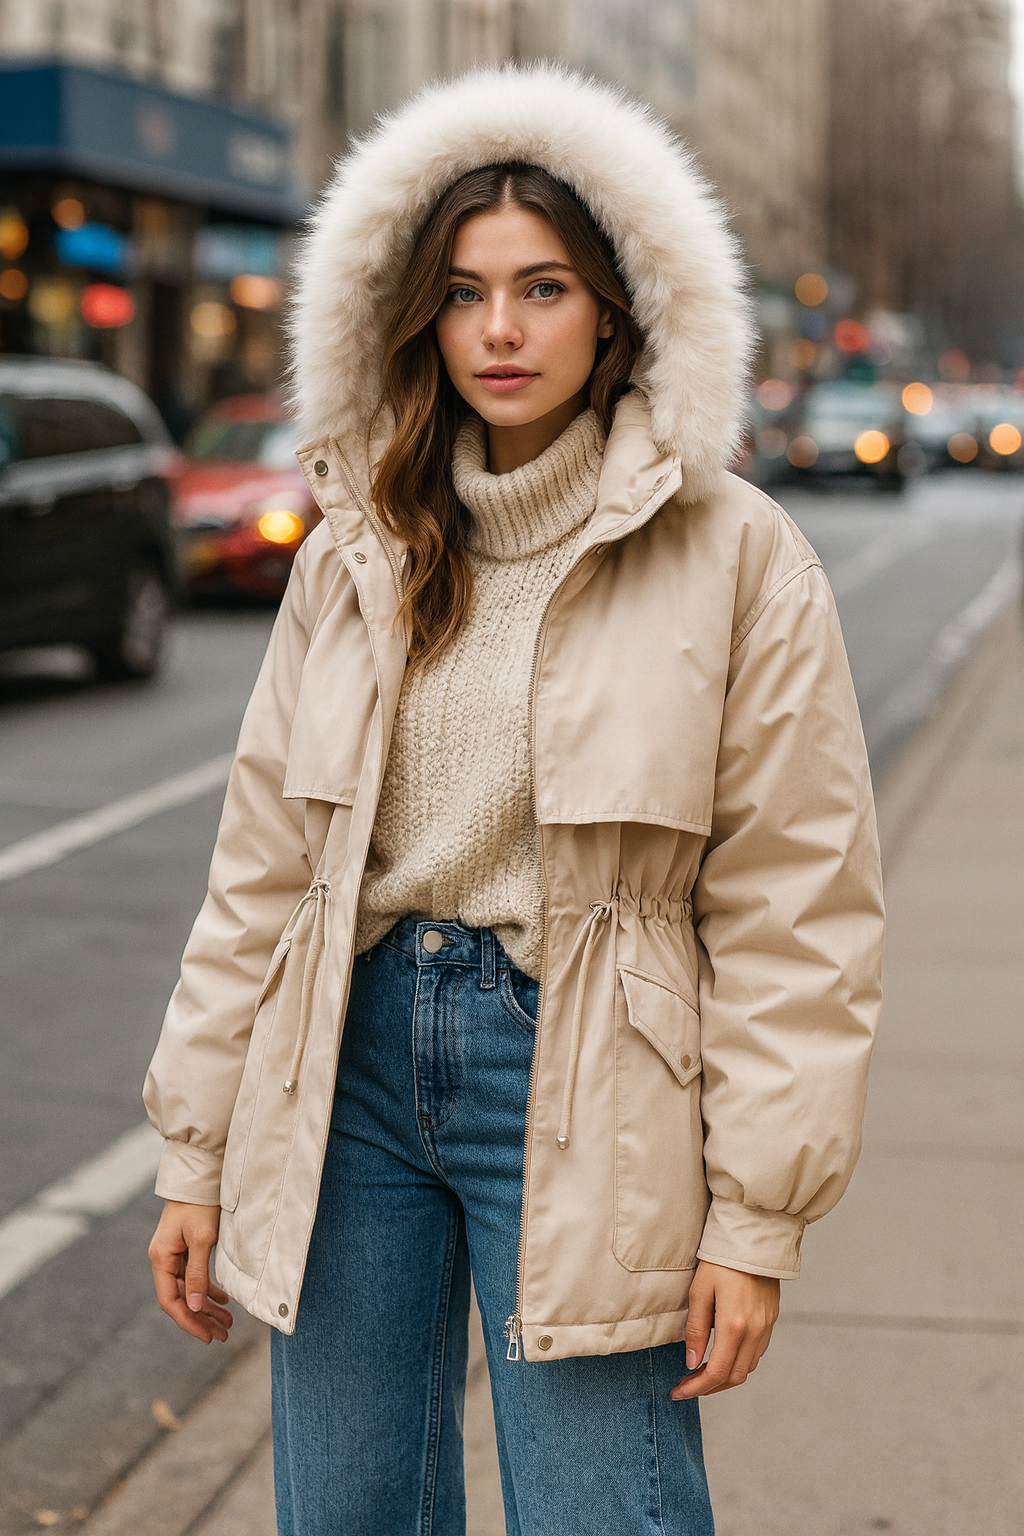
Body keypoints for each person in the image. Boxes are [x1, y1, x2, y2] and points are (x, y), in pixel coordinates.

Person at [145, 65, 884, 1536]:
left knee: (602, 1514)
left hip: (591, 1073)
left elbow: (797, 908)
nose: (499, 330)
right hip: (347, 1070)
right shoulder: (355, 543)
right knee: (344, 1514)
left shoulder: (736, 554)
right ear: (416, 315)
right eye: (464, 293)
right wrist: (198, 1149)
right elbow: (266, 871)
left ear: (615, 309)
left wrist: (756, 1217)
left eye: (543, 289)